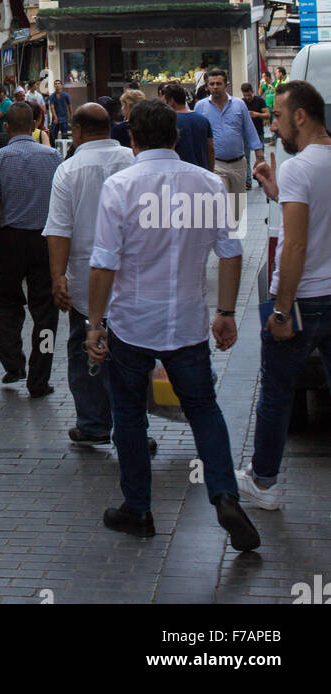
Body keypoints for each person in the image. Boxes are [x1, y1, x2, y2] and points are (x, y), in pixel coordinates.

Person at [86, 99, 260, 551]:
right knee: (204, 408)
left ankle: (138, 507)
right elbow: (230, 251)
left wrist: (94, 322)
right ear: (176, 137)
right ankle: (223, 492)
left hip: (131, 320)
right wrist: (224, 312)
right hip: (187, 321)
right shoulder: (207, 184)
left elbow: (104, 263)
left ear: (133, 137)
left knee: (127, 413)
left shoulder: (120, 186)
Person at [237, 81, 331, 510]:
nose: (271, 123)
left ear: (300, 116)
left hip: (304, 298)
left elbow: (294, 245)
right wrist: (276, 192)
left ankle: (264, 481)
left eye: (276, 115)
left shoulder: (300, 167)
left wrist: (280, 309)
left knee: (276, 392)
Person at [44, 103, 134, 445]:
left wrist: (58, 277)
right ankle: (133, 428)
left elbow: (59, 230)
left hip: (85, 277)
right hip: (131, 279)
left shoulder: (68, 170)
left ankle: (94, 424)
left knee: (84, 351)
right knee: (131, 356)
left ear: (77, 132)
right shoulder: (132, 160)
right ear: (109, 128)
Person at [0, 101, 62, 398]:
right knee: (46, 313)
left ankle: (13, 363)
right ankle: (40, 377)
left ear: (6, 127)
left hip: (10, 240)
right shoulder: (53, 156)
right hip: (45, 241)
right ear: (36, 125)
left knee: (7, 303)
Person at [194, 68, 263, 224]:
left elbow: (250, 131)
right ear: (207, 86)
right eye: (211, 84)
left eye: (219, 83)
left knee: (237, 211)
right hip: (216, 164)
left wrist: (260, 156)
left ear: (226, 85)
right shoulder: (201, 107)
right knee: (221, 205)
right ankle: (223, 240)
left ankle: (231, 237)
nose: (215, 87)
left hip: (238, 164)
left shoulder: (239, 105)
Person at [163, 83, 215, 170]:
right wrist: (210, 171)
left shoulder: (169, 122)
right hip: (202, 172)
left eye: (164, 101)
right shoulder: (203, 120)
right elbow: (211, 149)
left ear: (171, 101)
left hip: (179, 172)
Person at [240, 83, 268, 190]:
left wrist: (257, 114)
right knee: (245, 158)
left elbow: (267, 115)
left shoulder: (259, 100)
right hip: (246, 134)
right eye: (245, 95)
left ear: (252, 92)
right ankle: (248, 181)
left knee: (260, 157)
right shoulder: (241, 103)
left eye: (249, 95)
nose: (247, 98)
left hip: (258, 132)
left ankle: (260, 178)